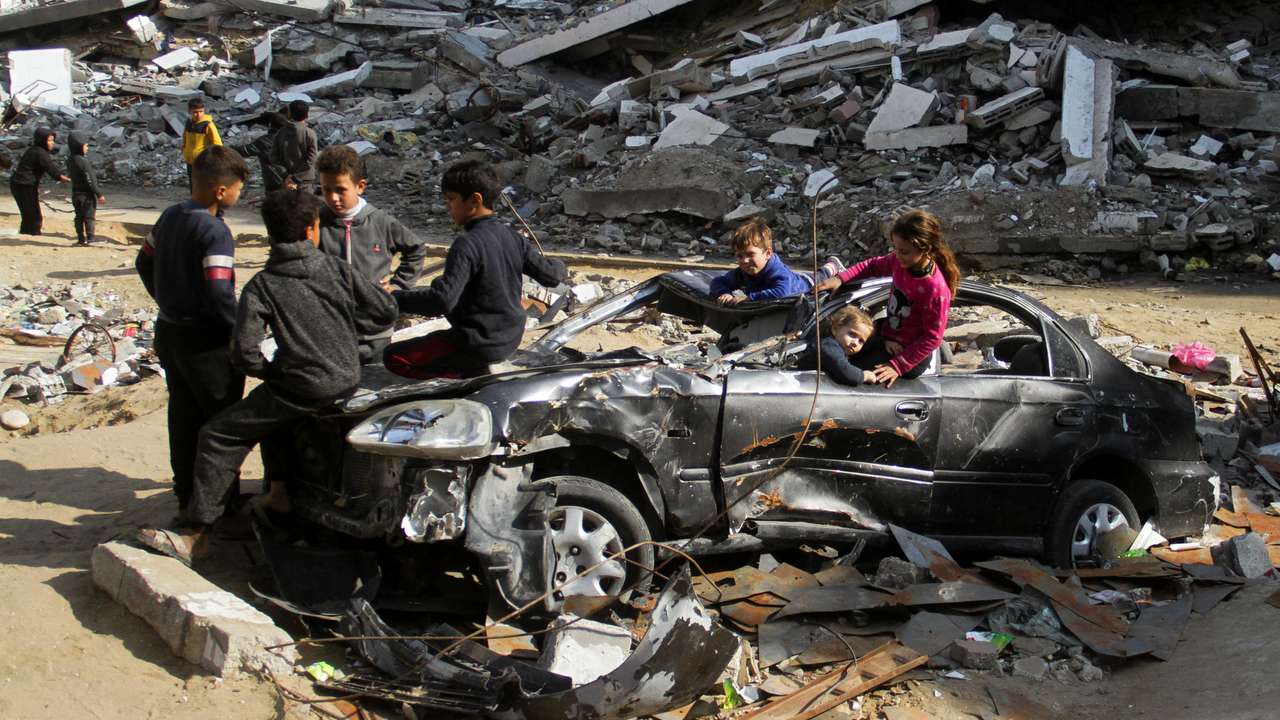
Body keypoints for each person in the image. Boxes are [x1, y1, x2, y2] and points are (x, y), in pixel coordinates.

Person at [137, 189, 398, 564]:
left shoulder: (263, 285)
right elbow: (385, 310)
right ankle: (279, 495)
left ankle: (198, 533)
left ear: (270, 234)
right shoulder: (337, 269)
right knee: (273, 416)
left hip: (299, 386)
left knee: (218, 435)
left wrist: (272, 370)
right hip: (347, 377)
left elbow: (243, 352)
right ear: (311, 230)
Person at [136, 145, 249, 522]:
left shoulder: (170, 215)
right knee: (221, 425)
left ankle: (185, 494)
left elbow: (143, 261)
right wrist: (240, 331)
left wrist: (167, 299)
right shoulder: (215, 232)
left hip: (170, 332)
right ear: (221, 190)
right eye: (239, 189)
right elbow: (219, 293)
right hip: (206, 344)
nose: (240, 195)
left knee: (183, 417)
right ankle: (221, 504)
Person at [383, 159, 568, 379]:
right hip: (510, 338)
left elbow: (441, 301)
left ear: (475, 200)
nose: (448, 207)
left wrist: (395, 298)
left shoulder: (467, 244)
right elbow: (551, 275)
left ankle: (465, 378)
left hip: (478, 343)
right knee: (439, 286)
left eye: (451, 199)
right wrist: (561, 265)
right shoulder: (512, 236)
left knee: (393, 357)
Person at [815, 209, 960, 388]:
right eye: (896, 249)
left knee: (847, 370)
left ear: (926, 249)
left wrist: (897, 366)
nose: (898, 256)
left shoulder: (935, 290)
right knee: (835, 342)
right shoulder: (900, 262)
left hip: (906, 355)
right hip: (887, 337)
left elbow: (932, 338)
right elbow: (872, 265)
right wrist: (840, 278)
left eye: (904, 251)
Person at [315, 145, 426, 362]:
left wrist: (397, 285)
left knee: (374, 378)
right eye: (326, 190)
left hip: (375, 331)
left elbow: (416, 249)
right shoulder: (317, 224)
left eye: (340, 190)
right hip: (331, 331)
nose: (333, 198)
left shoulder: (380, 222)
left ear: (360, 186)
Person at [709, 218, 841, 304]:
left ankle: (834, 265)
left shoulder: (777, 271)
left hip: (806, 284)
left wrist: (749, 298)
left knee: (821, 276)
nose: (744, 261)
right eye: (739, 256)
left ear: (767, 253)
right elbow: (717, 281)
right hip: (792, 278)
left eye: (750, 254)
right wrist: (724, 293)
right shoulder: (742, 272)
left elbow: (782, 292)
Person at [795, 305, 878, 386]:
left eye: (861, 341)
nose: (855, 343)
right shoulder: (829, 345)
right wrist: (865, 375)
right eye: (852, 334)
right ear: (835, 328)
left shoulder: (837, 348)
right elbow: (846, 372)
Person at [8, 127, 70, 236]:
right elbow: (52, 170)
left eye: (52, 140)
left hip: (23, 185)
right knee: (33, 215)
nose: (52, 143)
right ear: (42, 140)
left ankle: (26, 232)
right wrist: (70, 180)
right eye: (49, 140)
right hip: (23, 185)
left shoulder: (35, 150)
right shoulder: (40, 153)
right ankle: (31, 233)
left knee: (29, 214)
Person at [66, 132, 106, 245]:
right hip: (87, 195)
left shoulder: (70, 160)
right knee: (89, 217)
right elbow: (90, 180)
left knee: (78, 217)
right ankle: (90, 238)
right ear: (80, 146)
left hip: (75, 194)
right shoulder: (83, 161)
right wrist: (99, 194)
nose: (87, 148)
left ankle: (80, 238)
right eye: (86, 146)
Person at [235, 111, 288, 193]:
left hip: (274, 180)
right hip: (292, 179)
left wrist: (224, 148)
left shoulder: (264, 141)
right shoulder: (292, 138)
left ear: (271, 125)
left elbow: (245, 151)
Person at [272, 100, 318, 192]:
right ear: (307, 115)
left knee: (291, 200)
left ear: (289, 114)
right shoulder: (309, 133)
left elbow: (274, 157)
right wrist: (296, 176)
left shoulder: (280, 133)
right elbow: (312, 159)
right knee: (306, 200)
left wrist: (286, 174)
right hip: (305, 180)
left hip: (287, 180)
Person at [181, 98, 222, 189]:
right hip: (190, 161)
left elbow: (217, 143)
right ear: (189, 111)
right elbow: (185, 138)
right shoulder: (189, 123)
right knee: (193, 186)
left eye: (201, 111)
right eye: (195, 112)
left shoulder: (207, 125)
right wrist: (184, 151)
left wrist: (213, 159)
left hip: (202, 162)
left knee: (203, 186)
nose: (198, 114)